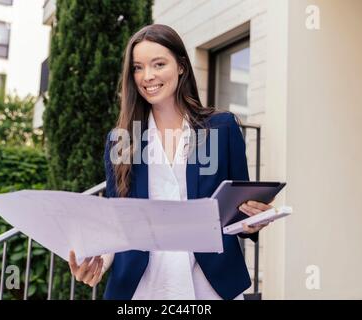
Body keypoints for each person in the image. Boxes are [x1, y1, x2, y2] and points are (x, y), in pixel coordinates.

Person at [68, 24, 273, 300]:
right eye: (138, 67)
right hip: (143, 288)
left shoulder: (222, 129)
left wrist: (253, 220)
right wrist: (99, 262)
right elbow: (119, 223)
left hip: (209, 286)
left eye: (158, 64)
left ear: (181, 67)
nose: (147, 76)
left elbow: (238, 210)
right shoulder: (121, 141)